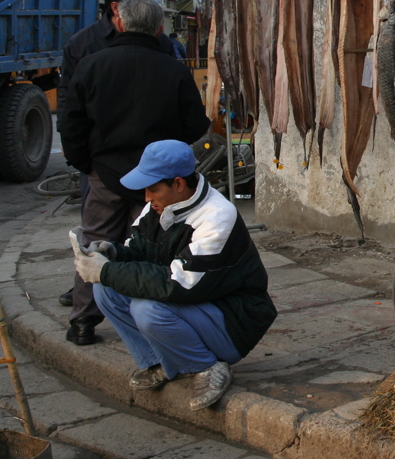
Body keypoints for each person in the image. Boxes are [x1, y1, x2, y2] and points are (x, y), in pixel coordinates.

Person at [71, 139, 276, 411]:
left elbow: (177, 285)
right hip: (195, 306)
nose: (146, 197)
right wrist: (112, 254)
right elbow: (139, 251)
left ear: (178, 184)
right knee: (104, 289)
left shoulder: (218, 216)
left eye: (153, 189)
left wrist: (107, 270)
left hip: (233, 321)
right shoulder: (157, 207)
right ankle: (159, 362)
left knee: (147, 309)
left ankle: (207, 367)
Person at [59, 0, 210, 346]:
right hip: (160, 181)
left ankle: (83, 322)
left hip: (106, 174)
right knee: (152, 248)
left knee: (95, 244)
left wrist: (87, 163)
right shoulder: (173, 69)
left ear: (120, 23)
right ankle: (149, 320)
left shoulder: (93, 64)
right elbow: (195, 124)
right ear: (159, 28)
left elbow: (71, 124)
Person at [55, 0, 176, 308]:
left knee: (141, 240)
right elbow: (69, 108)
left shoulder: (164, 50)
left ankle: (123, 306)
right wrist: (83, 159)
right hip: (103, 165)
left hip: (146, 170)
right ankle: (87, 312)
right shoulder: (85, 47)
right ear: (116, 9)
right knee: (99, 237)